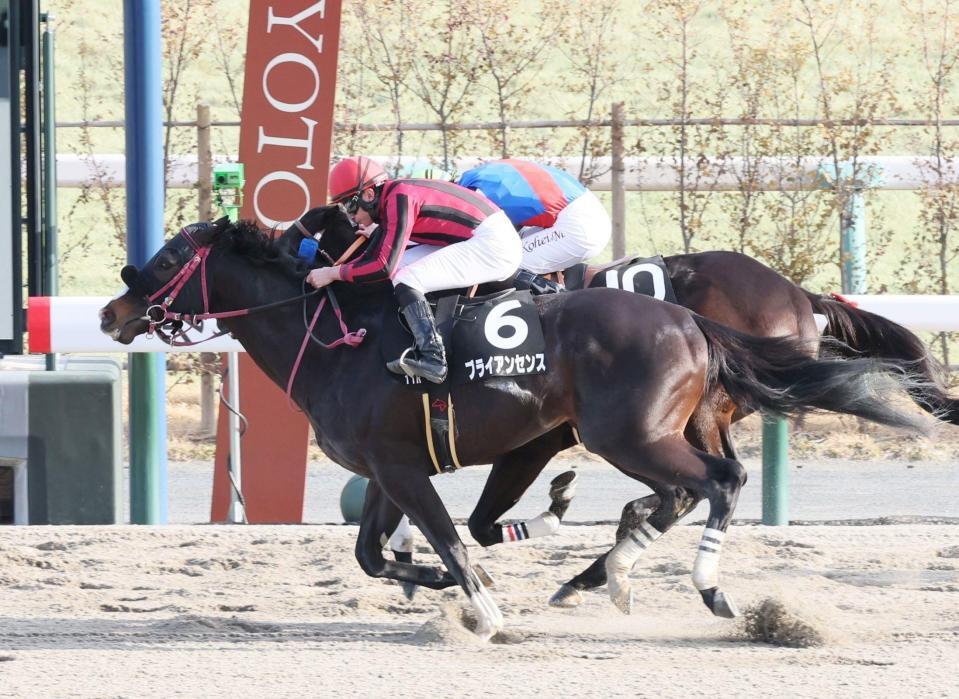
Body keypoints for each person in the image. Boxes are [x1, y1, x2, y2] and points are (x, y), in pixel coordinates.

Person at [305, 156, 521, 384]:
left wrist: (332, 273)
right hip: (483, 236)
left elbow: (383, 267)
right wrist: (336, 272)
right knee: (404, 267)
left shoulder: (399, 197)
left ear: (368, 195)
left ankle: (433, 357)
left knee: (406, 278)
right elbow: (376, 257)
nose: (350, 216)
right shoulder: (393, 196)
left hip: (494, 245)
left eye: (350, 205)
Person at [457, 159, 612, 293]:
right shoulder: (482, 175)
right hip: (586, 212)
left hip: (577, 225)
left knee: (500, 263)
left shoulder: (473, 192)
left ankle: (558, 298)